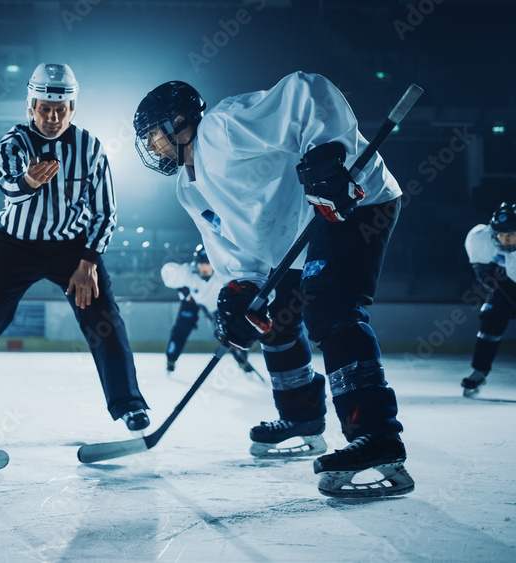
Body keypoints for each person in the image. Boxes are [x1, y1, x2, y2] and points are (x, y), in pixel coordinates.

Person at [133, 73, 413, 498]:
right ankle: (302, 417)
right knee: (274, 323)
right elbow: (230, 248)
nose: (152, 146)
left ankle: (378, 437)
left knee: (330, 307)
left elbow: (307, 91)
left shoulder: (222, 129)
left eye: (153, 134)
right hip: (300, 238)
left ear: (178, 120)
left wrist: (326, 159)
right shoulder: (188, 190)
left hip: (354, 200)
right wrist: (240, 291)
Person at [0, 63, 149, 435]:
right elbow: (9, 188)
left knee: (105, 322)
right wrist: (29, 181)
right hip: (16, 247)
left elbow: (105, 211)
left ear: (73, 108)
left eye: (61, 109)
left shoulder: (90, 147)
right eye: (44, 108)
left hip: (73, 251)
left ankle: (129, 405)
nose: (52, 117)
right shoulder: (12, 143)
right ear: (30, 107)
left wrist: (88, 261)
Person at [160, 244, 257, 375]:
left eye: (208, 263)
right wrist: (181, 288)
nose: (204, 267)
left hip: (216, 307)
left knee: (228, 331)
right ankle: (171, 359)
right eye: (201, 263)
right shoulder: (187, 273)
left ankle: (241, 357)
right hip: (192, 300)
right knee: (182, 326)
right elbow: (167, 272)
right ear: (196, 263)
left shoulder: (223, 275)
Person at [461, 202, 516, 397]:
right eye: (501, 235)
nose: (506, 241)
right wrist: (485, 275)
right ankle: (479, 371)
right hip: (506, 285)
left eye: (511, 235)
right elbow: (481, 271)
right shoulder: (480, 238)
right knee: (490, 320)